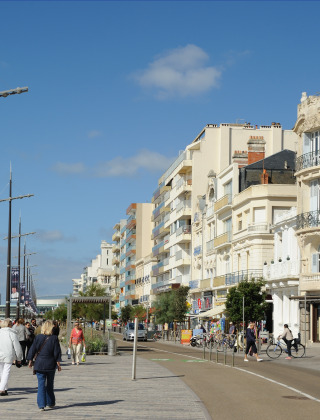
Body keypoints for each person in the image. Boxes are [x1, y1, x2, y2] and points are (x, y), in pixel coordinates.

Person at [27, 320, 62, 411]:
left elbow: (32, 349)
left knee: (41, 384)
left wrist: (30, 360)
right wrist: (58, 363)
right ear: (52, 328)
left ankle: (41, 405)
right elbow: (57, 352)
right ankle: (50, 402)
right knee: (50, 384)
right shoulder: (54, 338)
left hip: (39, 364)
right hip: (50, 364)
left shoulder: (38, 337)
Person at [0, 318, 23, 396]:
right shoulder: (12, 334)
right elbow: (17, 347)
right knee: (6, 371)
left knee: (1, 372)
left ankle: (4, 388)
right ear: (9, 325)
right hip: (8, 355)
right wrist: (19, 358)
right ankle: (2, 389)